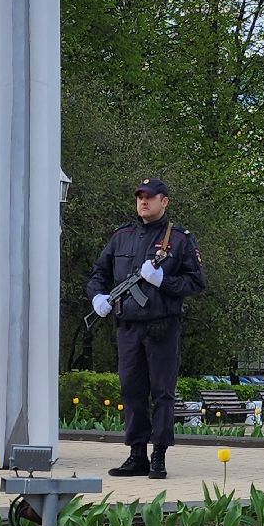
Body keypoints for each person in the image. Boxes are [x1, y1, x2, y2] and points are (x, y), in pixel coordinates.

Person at [86, 177, 206, 480]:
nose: (143, 202)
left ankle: (159, 455)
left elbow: (196, 282)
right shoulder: (121, 236)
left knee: (162, 392)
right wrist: (98, 296)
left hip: (161, 327)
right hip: (127, 327)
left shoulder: (178, 240)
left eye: (150, 197)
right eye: (140, 196)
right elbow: (99, 273)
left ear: (163, 201)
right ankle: (136, 454)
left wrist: (163, 281)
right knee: (132, 391)